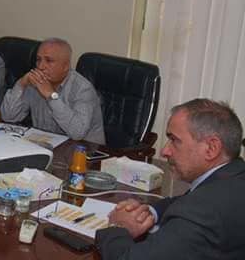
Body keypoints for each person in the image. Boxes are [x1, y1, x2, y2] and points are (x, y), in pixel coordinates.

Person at [96, 98, 245, 260]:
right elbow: (185, 200)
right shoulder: (234, 176)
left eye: (174, 140)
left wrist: (118, 226)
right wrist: (148, 212)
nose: (164, 151)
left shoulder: (202, 212)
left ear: (211, 148)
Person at [0, 38, 105, 144]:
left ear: (66, 66)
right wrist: (21, 84)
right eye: (38, 59)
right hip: (45, 144)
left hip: (82, 149)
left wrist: (51, 96)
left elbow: (77, 133)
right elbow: (8, 117)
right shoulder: (35, 82)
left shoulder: (83, 89)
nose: (41, 66)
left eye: (49, 61)